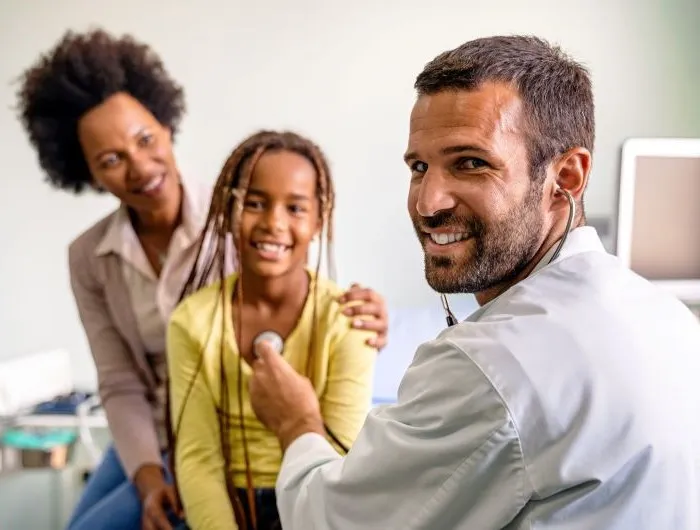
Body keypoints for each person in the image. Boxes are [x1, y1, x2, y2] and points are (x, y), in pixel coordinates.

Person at [248, 35, 700, 529]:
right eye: (419, 167)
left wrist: (295, 423)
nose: (428, 202)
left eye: (471, 163)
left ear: (566, 177)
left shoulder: (493, 365)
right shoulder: (670, 319)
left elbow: (327, 520)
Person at [15, 29, 389, 530]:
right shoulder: (90, 258)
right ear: (87, 173)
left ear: (166, 125)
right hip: (158, 437)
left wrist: (369, 314)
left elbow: (301, 289)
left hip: (230, 432)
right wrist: (149, 480)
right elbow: (121, 382)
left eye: (145, 139)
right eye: (111, 160)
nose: (140, 166)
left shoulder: (244, 210)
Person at [166, 130, 378, 530]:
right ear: (228, 211)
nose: (273, 223)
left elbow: (339, 457)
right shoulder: (191, 322)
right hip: (224, 505)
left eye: (295, 208)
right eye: (255, 203)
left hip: (314, 500)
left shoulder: (348, 320)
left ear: (319, 219)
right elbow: (198, 459)